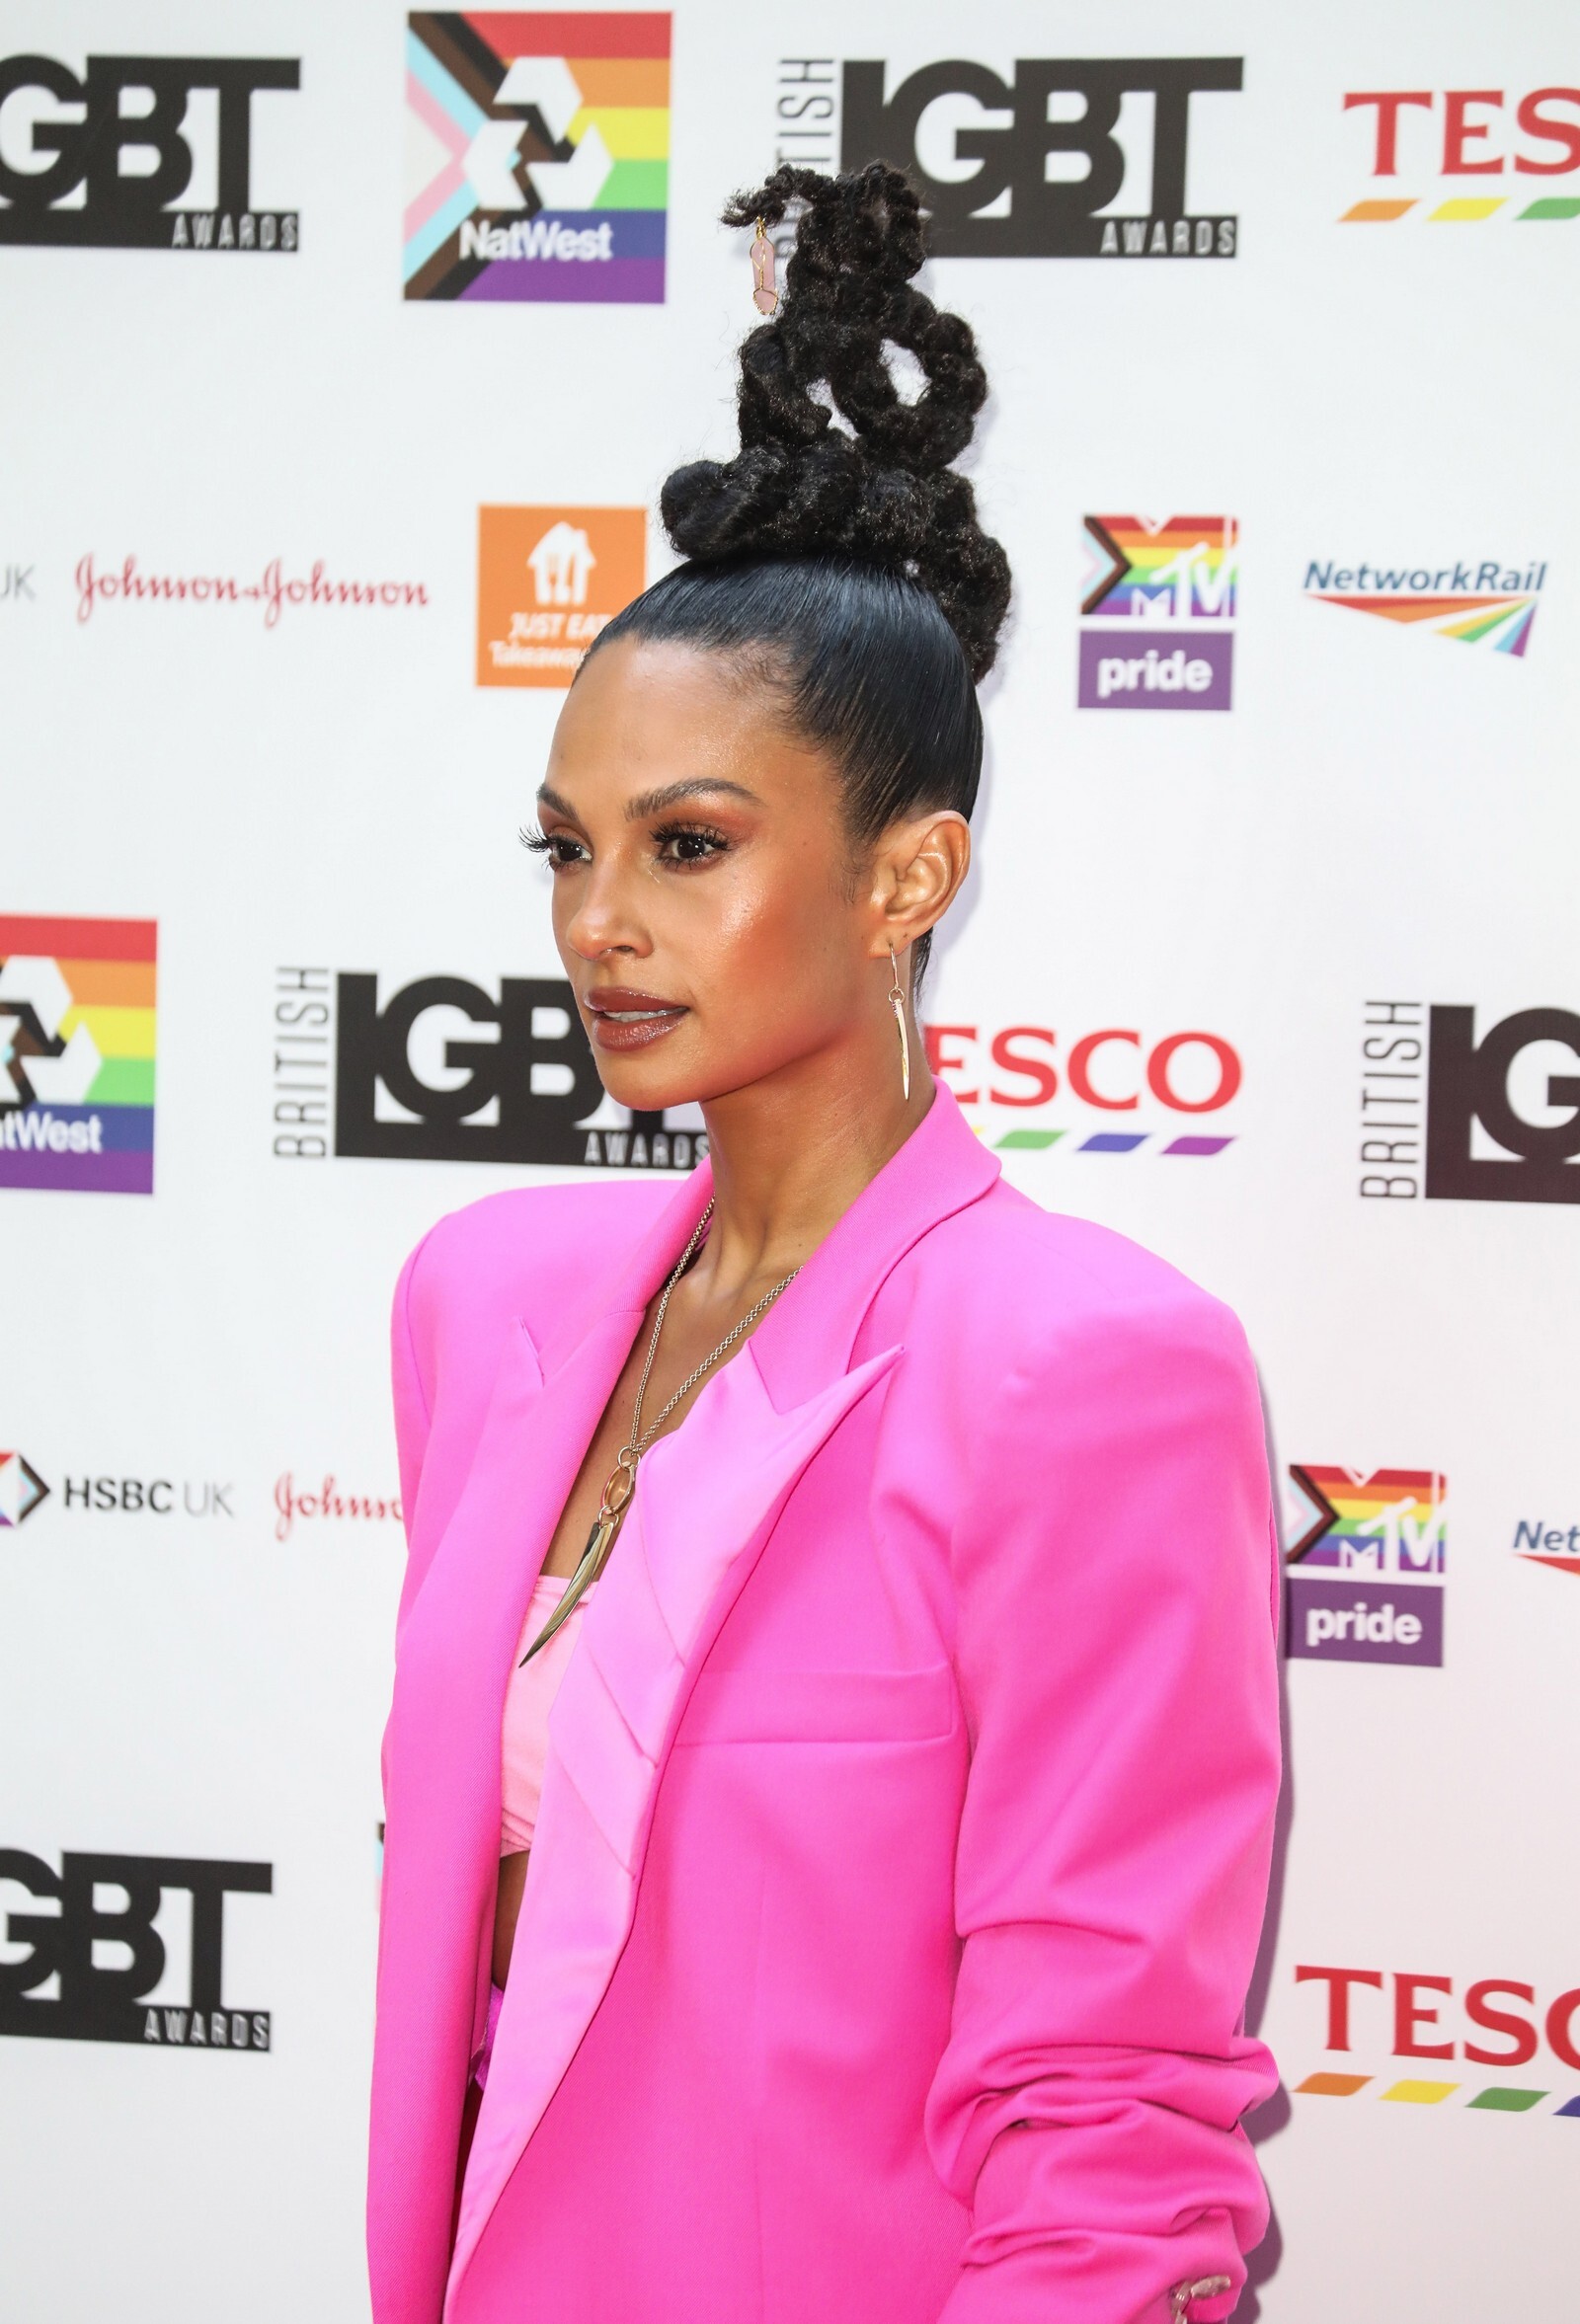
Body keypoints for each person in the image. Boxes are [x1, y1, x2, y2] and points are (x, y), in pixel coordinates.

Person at [368, 163, 1280, 2324]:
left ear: (907, 877)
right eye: (566, 849)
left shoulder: (1083, 1367)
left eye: (687, 847)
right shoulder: (484, 1303)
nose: (598, 922)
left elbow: (1108, 2120)